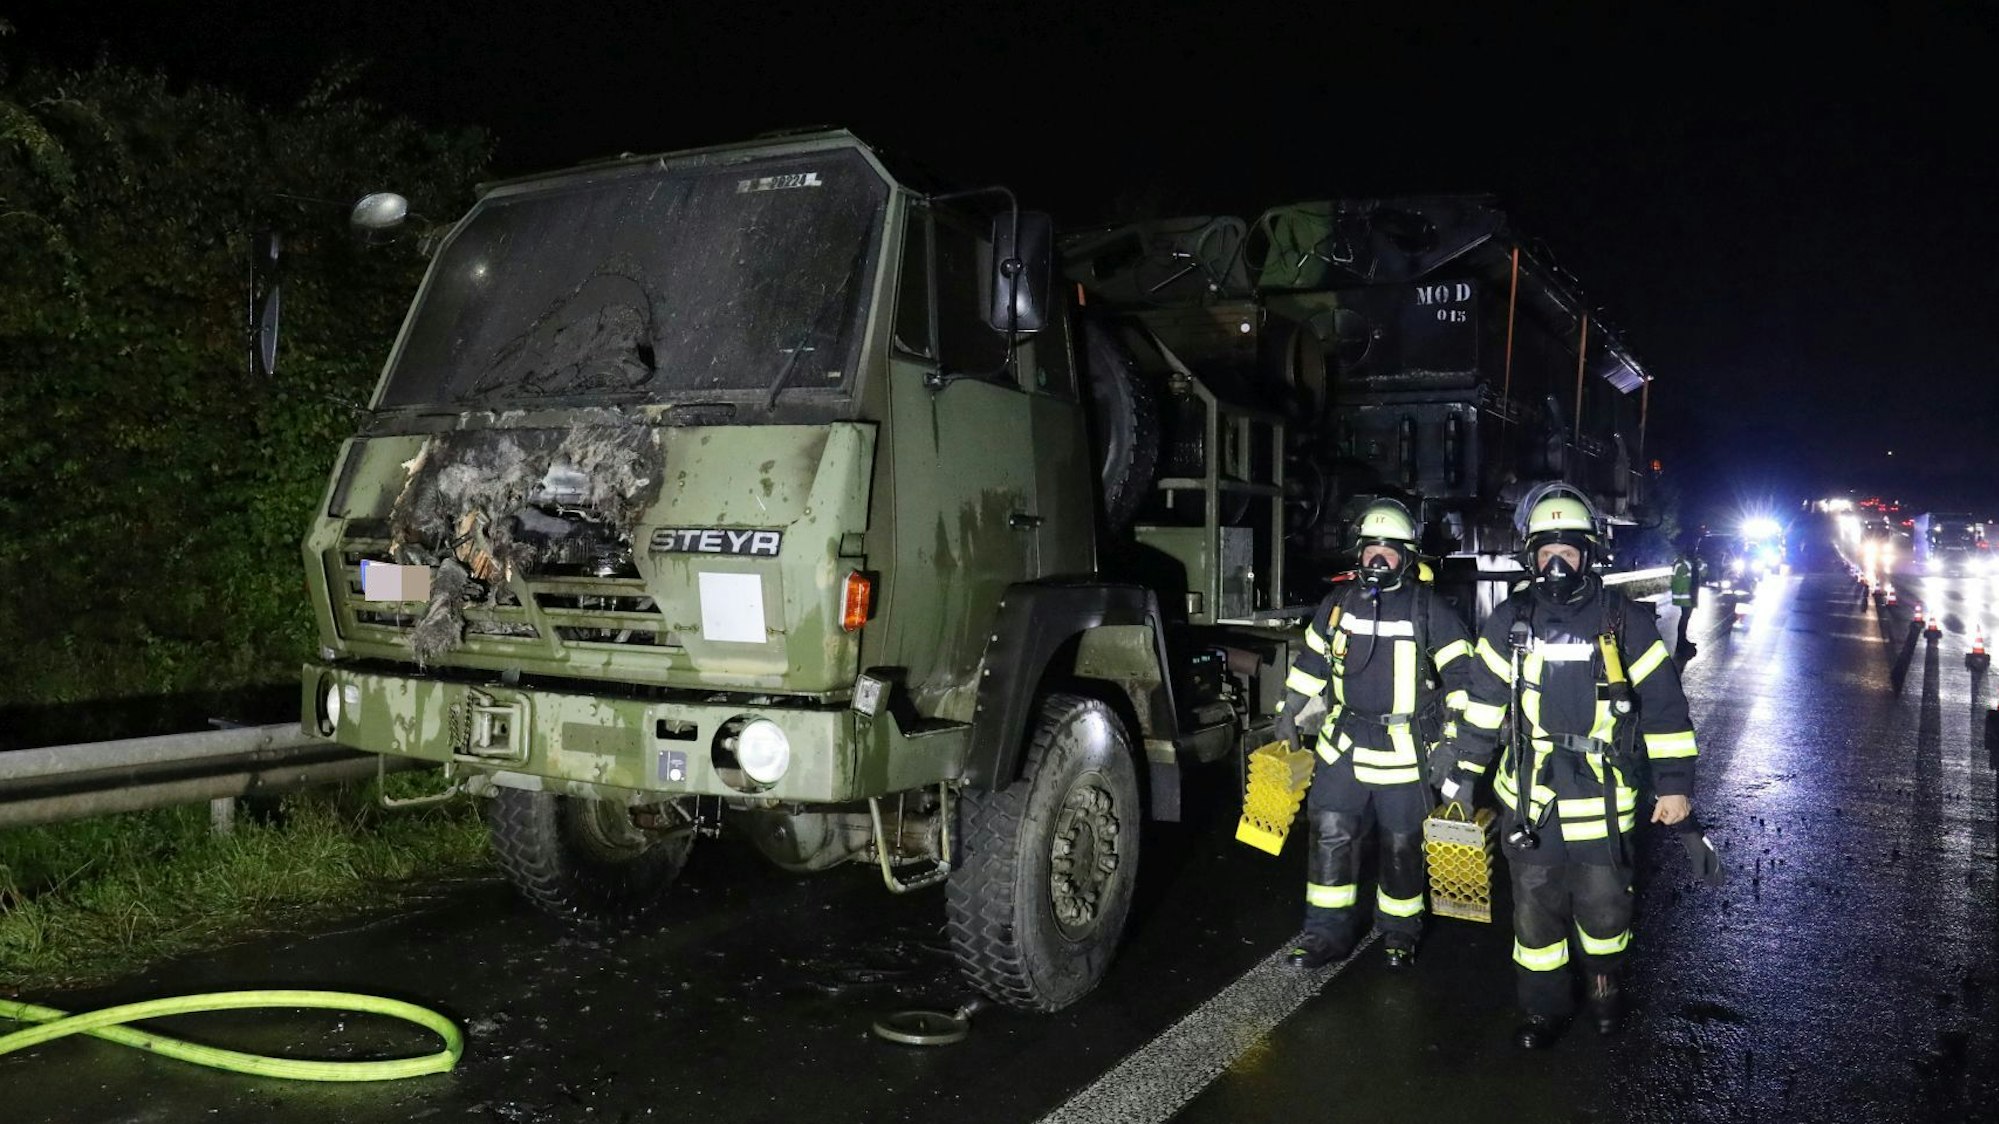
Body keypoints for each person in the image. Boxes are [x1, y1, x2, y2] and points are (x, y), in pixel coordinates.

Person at [1440, 483, 1700, 1048]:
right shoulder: (1509, 620)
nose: (1557, 563)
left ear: (1590, 554)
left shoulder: (1624, 620)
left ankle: (1605, 992)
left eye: (1569, 551)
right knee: (1534, 919)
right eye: (1545, 552)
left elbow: (1663, 707)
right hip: (1529, 800)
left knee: (1605, 913)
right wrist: (1461, 776)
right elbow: (1483, 708)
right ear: (1529, 557)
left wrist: (1674, 787)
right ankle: (1543, 1010)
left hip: (1602, 798)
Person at [1275, 498, 1474, 971]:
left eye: (1390, 552)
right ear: (1358, 554)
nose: (1378, 561)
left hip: (1405, 753)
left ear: (1407, 558)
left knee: (1403, 846)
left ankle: (1400, 933)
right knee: (1330, 838)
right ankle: (1323, 934)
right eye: (1371, 552)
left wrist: (1453, 741)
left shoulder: (1430, 611)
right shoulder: (1338, 605)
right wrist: (1288, 712)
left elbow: (1464, 679)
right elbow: (1312, 663)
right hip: (1344, 746)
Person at [1669, 543, 1700, 658]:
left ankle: (1682, 641)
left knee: (1685, 618)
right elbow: (1682, 581)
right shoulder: (1685, 564)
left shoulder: (1682, 562)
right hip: (1686, 596)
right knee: (1684, 619)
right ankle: (1680, 644)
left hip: (1686, 595)